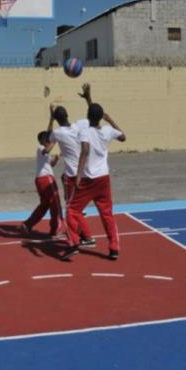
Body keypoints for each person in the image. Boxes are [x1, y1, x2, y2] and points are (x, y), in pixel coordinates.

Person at [61, 103, 127, 261]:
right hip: (103, 179)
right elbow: (123, 137)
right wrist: (110, 120)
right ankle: (114, 247)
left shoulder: (85, 131)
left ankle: (73, 243)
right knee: (107, 214)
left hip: (88, 180)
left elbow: (84, 152)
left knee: (72, 211)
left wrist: (77, 176)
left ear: (88, 116)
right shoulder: (108, 131)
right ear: (101, 117)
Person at [46, 83, 97, 247]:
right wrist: (88, 98)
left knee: (71, 208)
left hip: (72, 175)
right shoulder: (80, 125)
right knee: (76, 207)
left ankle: (83, 238)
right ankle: (84, 236)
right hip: (85, 173)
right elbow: (95, 116)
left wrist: (50, 118)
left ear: (56, 119)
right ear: (68, 115)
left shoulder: (58, 133)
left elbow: (48, 142)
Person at [21, 131, 65, 237]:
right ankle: (56, 230)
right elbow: (47, 149)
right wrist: (54, 140)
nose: (49, 141)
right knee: (56, 205)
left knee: (44, 205)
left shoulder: (45, 153)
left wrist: (57, 158)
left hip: (40, 179)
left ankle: (28, 224)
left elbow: (51, 165)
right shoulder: (41, 148)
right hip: (46, 179)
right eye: (47, 139)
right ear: (42, 140)